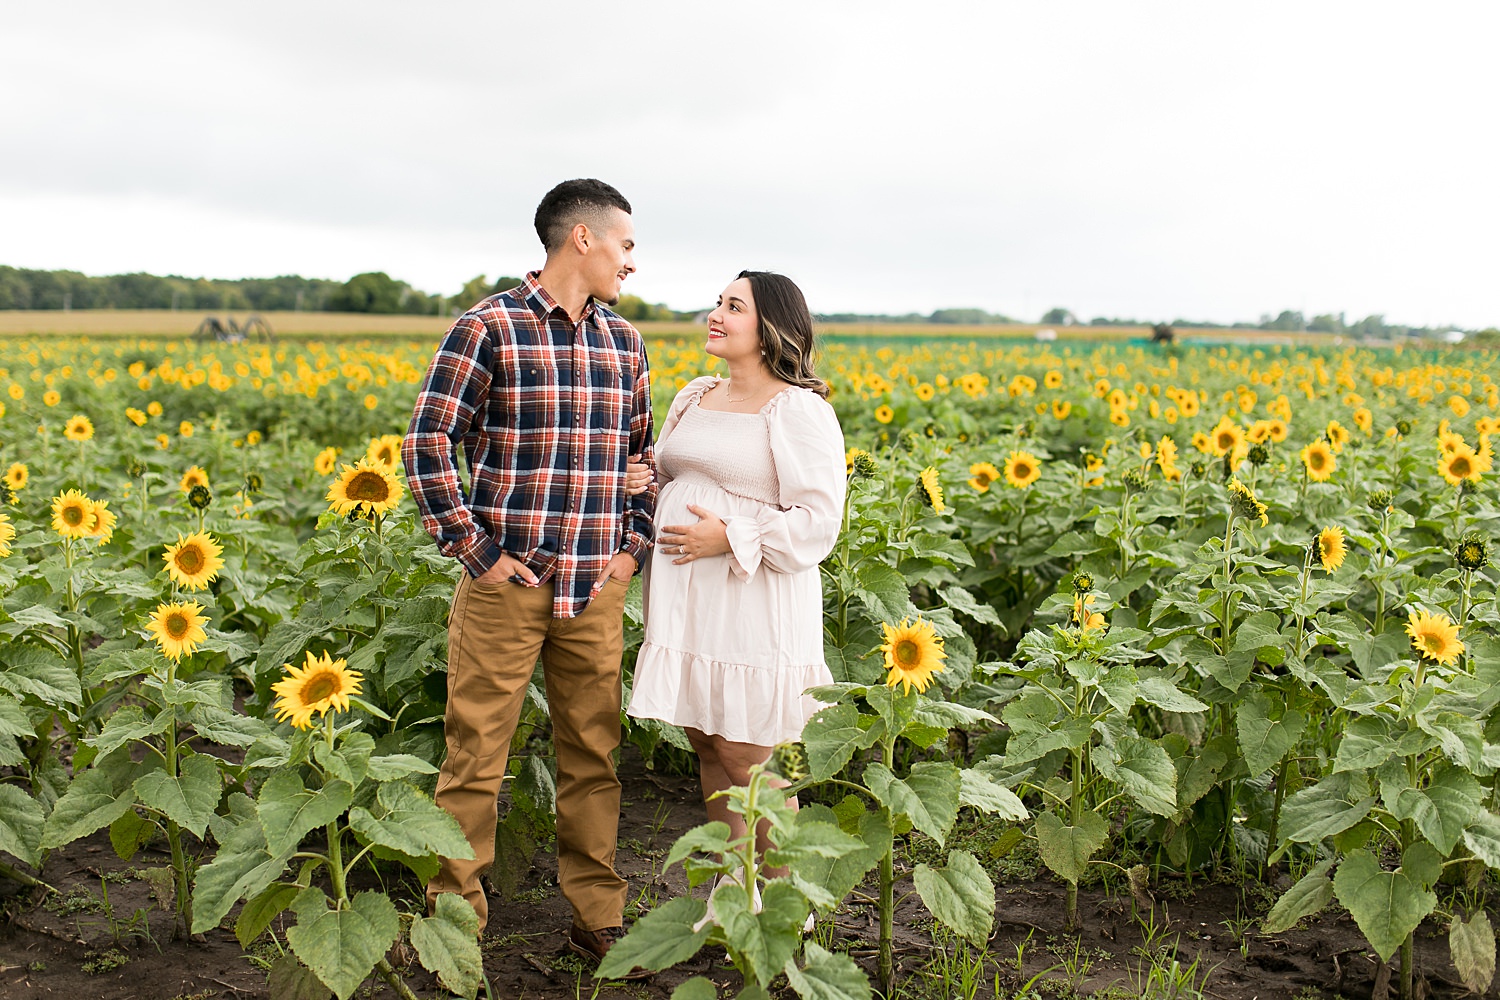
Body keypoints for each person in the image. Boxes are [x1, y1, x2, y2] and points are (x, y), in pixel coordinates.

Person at [402, 178, 656, 973]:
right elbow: (429, 442)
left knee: (594, 753)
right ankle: (455, 927)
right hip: (508, 587)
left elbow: (641, 459)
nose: (631, 263)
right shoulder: (489, 327)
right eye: (626, 244)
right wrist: (476, 552)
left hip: (596, 586)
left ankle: (598, 920)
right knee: (475, 753)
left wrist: (630, 550)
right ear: (582, 239)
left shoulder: (625, 343)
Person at [626, 270, 845, 915]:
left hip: (751, 599)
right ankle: (736, 879)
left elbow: (819, 521)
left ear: (771, 327)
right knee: (706, 738)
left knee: (749, 751)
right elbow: (673, 469)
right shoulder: (695, 395)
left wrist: (732, 536)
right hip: (688, 600)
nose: (716, 314)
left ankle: (782, 901)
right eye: (718, 303)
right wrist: (646, 478)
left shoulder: (797, 409)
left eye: (734, 306)